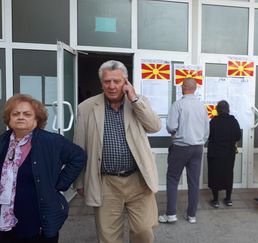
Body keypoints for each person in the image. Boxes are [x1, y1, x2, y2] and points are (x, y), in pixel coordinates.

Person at [73, 60, 161, 243]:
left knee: (144, 231)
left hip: (138, 180)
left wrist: (135, 99)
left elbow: (154, 127)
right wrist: (80, 180)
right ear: (101, 83)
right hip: (106, 183)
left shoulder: (138, 101)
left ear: (126, 82)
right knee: (108, 236)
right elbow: (79, 147)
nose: (112, 86)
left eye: (117, 81)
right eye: (107, 82)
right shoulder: (87, 107)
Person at [0, 94, 86, 243]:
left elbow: (78, 156)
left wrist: (60, 184)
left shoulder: (50, 141)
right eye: (15, 114)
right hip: (5, 219)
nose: (20, 117)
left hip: (37, 221)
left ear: (37, 118)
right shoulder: (3, 140)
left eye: (27, 114)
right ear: (9, 118)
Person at [159, 78, 209, 224]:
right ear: (195, 88)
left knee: (173, 179)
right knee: (194, 182)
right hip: (197, 148)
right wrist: (200, 141)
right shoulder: (201, 106)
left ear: (183, 87)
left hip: (180, 147)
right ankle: (192, 215)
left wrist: (177, 133)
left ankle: (171, 214)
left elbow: (171, 126)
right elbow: (207, 130)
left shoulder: (178, 105)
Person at [207, 100, 241, 208]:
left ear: (217, 110)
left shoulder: (213, 121)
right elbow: (238, 136)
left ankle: (215, 200)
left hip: (215, 154)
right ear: (228, 109)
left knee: (214, 175)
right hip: (229, 153)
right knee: (228, 174)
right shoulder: (233, 121)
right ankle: (228, 199)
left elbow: (208, 135)